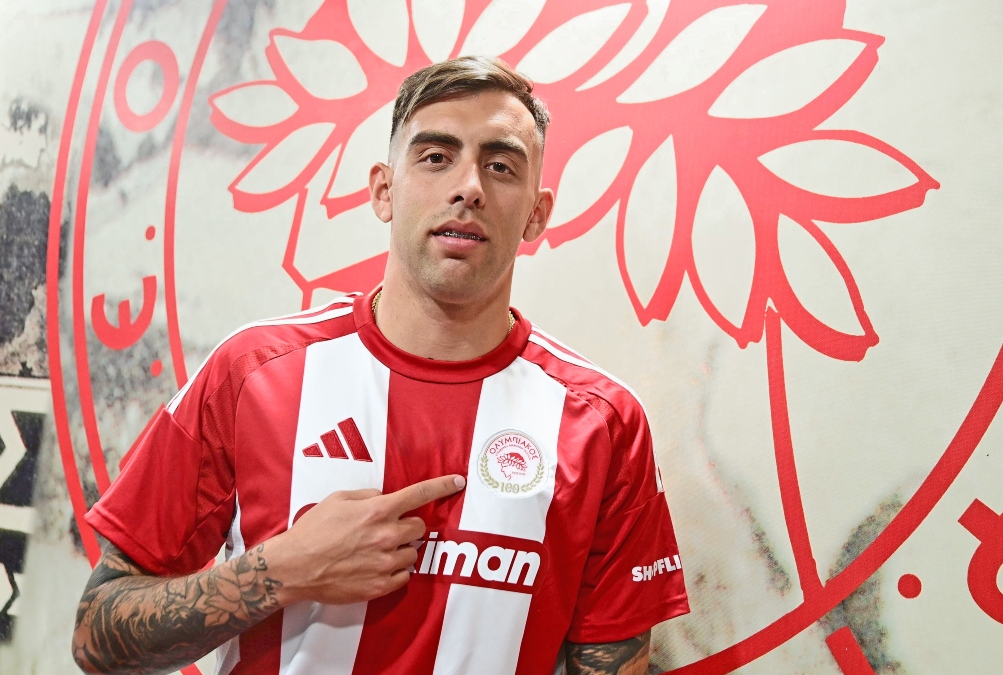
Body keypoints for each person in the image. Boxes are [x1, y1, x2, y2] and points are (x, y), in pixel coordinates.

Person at [73, 56, 689, 675]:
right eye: (435, 156)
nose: (469, 187)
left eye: (501, 166)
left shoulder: (603, 424)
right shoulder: (254, 373)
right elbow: (97, 637)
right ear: (383, 190)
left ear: (537, 213)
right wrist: (281, 570)